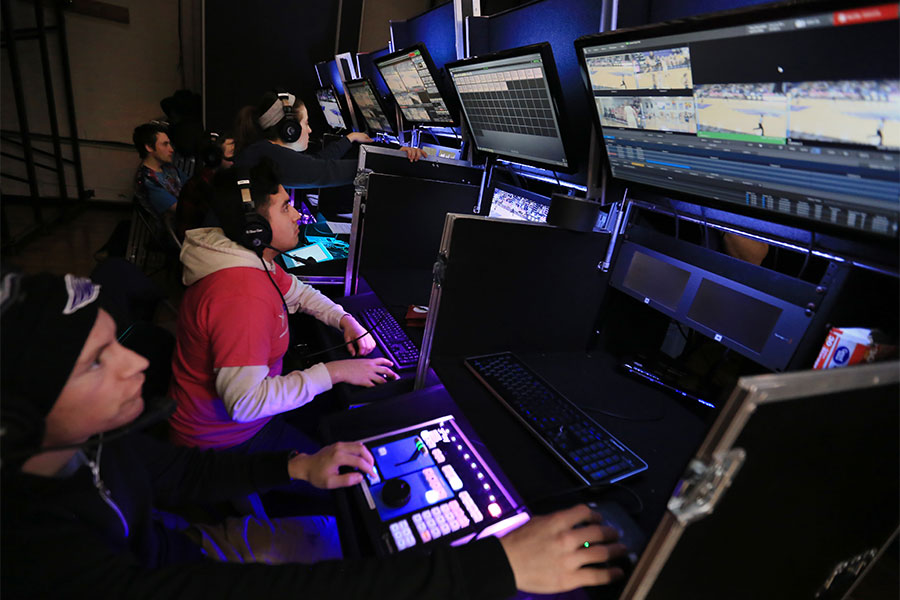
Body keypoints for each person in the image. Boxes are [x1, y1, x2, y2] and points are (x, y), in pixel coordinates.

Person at [0, 270, 627, 598]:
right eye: (96, 362)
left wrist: (295, 470)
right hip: (177, 575)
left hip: (179, 548)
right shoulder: (36, 556)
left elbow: (180, 474)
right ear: (14, 424)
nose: (136, 364)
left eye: (115, 344)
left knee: (346, 536)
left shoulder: (88, 443)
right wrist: (492, 569)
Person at [168, 156, 392, 457]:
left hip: (243, 419)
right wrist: (335, 372)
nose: (298, 214)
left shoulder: (245, 257)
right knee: (354, 465)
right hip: (223, 441)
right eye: (286, 207)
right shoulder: (241, 296)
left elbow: (298, 293)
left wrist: (343, 319)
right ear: (254, 227)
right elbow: (245, 404)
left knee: (341, 415)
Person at [232, 90, 425, 190]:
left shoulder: (262, 150)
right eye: (305, 123)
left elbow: (317, 163)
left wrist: (349, 139)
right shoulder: (269, 156)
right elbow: (325, 171)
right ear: (289, 130)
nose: (310, 129)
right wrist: (392, 159)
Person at [174, 131, 235, 241]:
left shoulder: (216, 179)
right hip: (197, 243)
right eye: (231, 156)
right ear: (215, 157)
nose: (235, 160)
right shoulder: (203, 184)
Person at [132, 121, 188, 215]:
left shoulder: (168, 167)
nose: (171, 149)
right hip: (178, 224)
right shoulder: (147, 180)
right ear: (149, 147)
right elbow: (178, 209)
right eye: (165, 144)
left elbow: (192, 186)